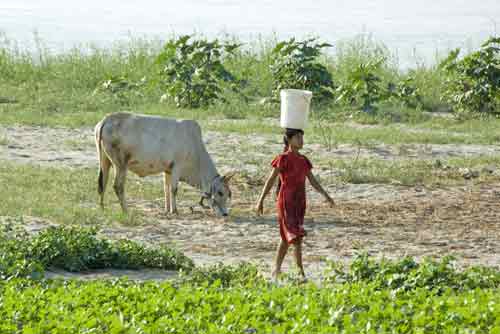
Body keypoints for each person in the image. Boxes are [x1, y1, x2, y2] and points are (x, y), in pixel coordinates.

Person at [255, 128, 335, 281]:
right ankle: (300, 273)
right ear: (289, 140)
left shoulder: (304, 160)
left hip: (300, 202)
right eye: (297, 137)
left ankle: (276, 269)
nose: (301, 140)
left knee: (287, 237)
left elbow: (313, 181)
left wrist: (326, 195)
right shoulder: (282, 158)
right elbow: (271, 180)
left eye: (302, 137)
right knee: (296, 235)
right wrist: (261, 200)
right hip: (286, 201)